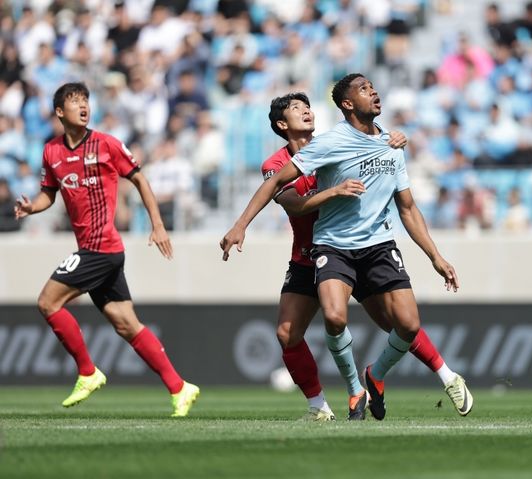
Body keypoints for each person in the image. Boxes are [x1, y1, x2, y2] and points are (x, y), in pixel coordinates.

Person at [221, 74, 472, 420]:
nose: (307, 112)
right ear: (282, 124)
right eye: (297, 108)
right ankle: (326, 403)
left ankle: (400, 376)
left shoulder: (336, 143)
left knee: (399, 323)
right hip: (315, 254)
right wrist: (241, 224)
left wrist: (390, 138)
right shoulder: (282, 163)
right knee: (290, 331)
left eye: (308, 107)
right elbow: (293, 204)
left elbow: (400, 195)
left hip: (364, 247)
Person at [14, 83, 199, 417]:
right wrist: (32, 208)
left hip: (102, 248)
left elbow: (140, 179)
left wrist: (157, 224)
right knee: (125, 323)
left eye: (86, 101)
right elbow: (47, 193)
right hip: (92, 249)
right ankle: (179, 386)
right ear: (60, 112)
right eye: (74, 102)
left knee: (47, 302)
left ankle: (87, 371)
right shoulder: (51, 152)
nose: (83, 106)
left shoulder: (107, 144)